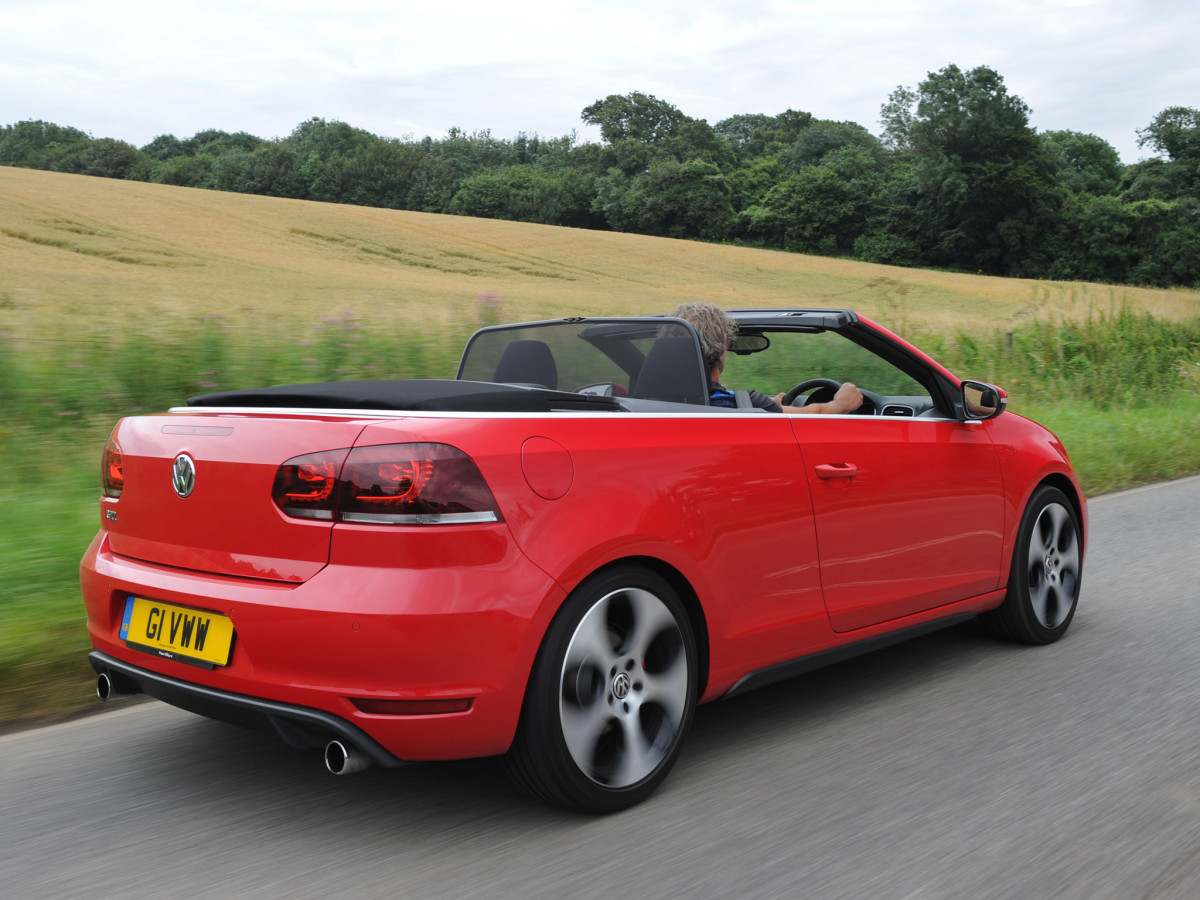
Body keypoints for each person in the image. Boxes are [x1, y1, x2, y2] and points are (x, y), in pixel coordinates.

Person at [669, 302, 863, 414]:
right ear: (721, 350)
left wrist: (771, 409)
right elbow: (811, 417)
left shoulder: (644, 401)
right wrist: (840, 404)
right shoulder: (741, 404)